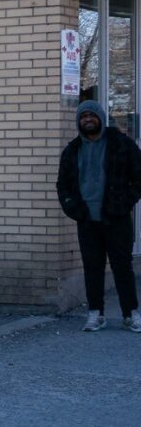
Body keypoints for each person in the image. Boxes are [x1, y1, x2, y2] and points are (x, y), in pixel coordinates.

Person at [56, 100, 141, 332]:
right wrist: (72, 208)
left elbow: (138, 177)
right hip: (87, 220)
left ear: (101, 118)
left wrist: (125, 203)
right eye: (84, 117)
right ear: (78, 122)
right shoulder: (72, 150)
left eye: (92, 116)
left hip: (117, 217)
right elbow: (63, 185)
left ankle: (131, 314)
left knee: (122, 267)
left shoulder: (121, 145)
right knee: (92, 267)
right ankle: (95, 314)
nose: (88, 120)